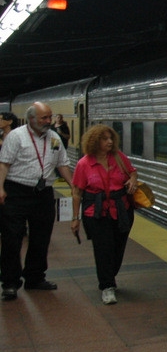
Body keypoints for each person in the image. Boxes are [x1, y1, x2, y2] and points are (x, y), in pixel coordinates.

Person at [0, 102, 74, 301]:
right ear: (31, 119)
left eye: (49, 117)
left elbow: (62, 164)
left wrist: (73, 185)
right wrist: (0, 188)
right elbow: (4, 163)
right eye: (44, 118)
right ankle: (10, 282)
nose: (48, 121)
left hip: (43, 194)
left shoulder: (54, 138)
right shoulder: (16, 137)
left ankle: (35, 277)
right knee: (11, 239)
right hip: (16, 191)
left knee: (41, 237)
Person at [70, 125, 138, 305]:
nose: (109, 142)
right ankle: (107, 286)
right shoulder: (84, 164)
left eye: (111, 138)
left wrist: (132, 180)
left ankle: (109, 274)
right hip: (96, 212)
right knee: (103, 249)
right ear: (94, 142)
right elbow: (77, 192)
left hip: (121, 210)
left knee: (118, 248)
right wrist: (75, 218)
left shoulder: (118, 157)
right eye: (104, 139)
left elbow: (132, 171)